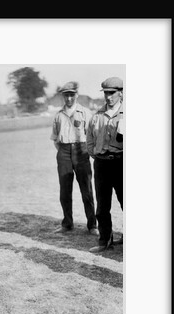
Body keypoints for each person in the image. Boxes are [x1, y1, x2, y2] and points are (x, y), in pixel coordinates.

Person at [50, 81, 98, 235]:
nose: (69, 98)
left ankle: (92, 225)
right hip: (63, 151)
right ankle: (67, 223)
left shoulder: (85, 112)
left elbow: (92, 136)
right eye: (66, 95)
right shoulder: (58, 115)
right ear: (63, 96)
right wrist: (66, 150)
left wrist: (80, 150)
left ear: (76, 95)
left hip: (81, 150)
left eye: (71, 95)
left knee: (86, 190)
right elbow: (55, 139)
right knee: (65, 190)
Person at [87, 77, 124, 253]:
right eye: (106, 93)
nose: (108, 97)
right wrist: (100, 157)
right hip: (101, 164)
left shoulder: (126, 115)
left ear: (121, 93)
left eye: (112, 93)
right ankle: (105, 240)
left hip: (122, 163)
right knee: (102, 206)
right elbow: (89, 142)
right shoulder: (97, 116)